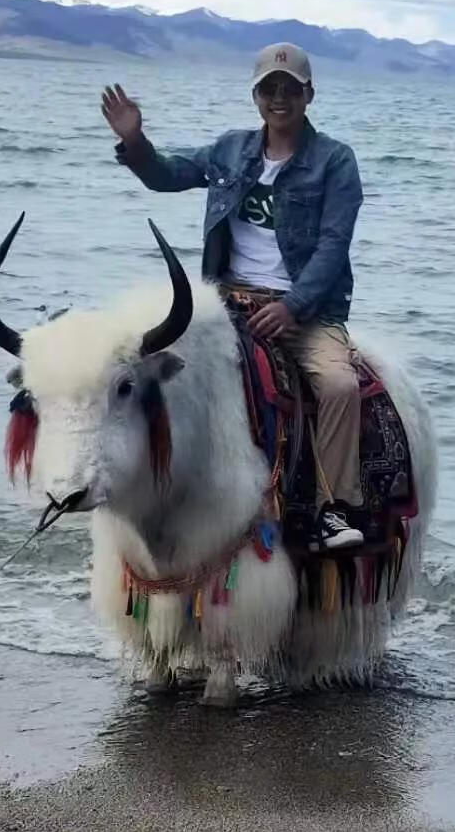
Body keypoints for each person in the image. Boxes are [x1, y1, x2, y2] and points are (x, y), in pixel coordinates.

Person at [101, 43, 365, 550]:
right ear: (256, 96)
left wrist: (292, 307)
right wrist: (135, 141)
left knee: (338, 386)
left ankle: (334, 507)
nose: (279, 98)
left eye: (290, 89)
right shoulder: (230, 150)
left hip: (303, 310)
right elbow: (168, 175)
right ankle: (157, 490)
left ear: (309, 95)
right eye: (270, 89)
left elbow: (334, 247)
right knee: (148, 370)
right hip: (225, 301)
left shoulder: (335, 161)